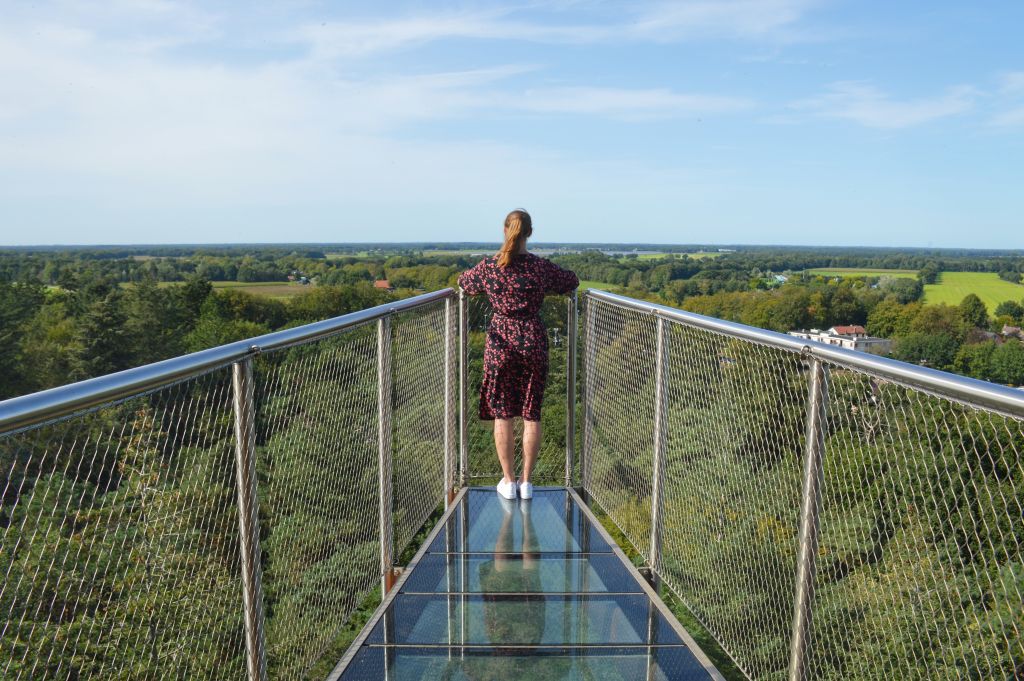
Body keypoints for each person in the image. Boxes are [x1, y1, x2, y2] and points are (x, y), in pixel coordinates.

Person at [457, 209, 579, 500]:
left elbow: (464, 282)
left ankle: (509, 482)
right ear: (530, 233)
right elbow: (571, 281)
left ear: (504, 230)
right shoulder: (539, 268)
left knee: (503, 415)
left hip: (500, 344)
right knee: (531, 413)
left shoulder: (489, 267)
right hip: (532, 342)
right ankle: (527, 483)